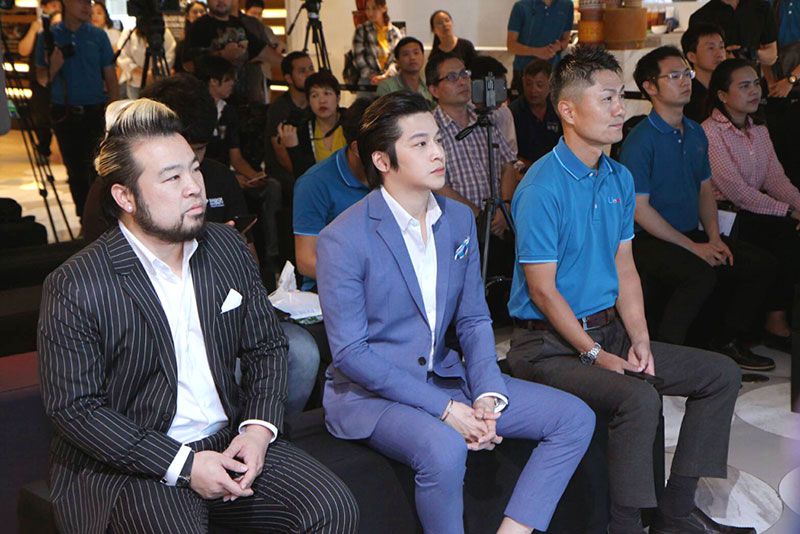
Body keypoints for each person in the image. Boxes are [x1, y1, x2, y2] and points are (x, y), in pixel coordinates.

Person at [37, 98, 359, 534]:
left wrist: (257, 430)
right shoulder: (76, 284)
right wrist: (184, 465)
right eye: (172, 177)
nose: (194, 187)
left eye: (194, 169)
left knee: (332, 508)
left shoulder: (225, 247)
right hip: (138, 461)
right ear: (125, 196)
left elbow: (266, 346)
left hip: (229, 438)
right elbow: (76, 410)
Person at [317, 91, 595, 534]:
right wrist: (446, 409)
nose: (437, 152)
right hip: (371, 396)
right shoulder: (343, 237)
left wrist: (486, 391)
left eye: (437, 140)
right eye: (420, 143)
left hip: (446, 376)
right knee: (444, 447)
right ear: (383, 161)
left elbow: (473, 319)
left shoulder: (459, 220)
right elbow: (351, 354)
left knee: (574, 418)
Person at [505, 44, 750, 534]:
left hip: (608, 331)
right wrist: (595, 353)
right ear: (568, 110)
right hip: (547, 346)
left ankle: (675, 512)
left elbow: (626, 268)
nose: (620, 109)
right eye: (607, 98)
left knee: (720, 374)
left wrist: (638, 338)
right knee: (639, 399)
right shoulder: (541, 186)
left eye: (621, 96)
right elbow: (543, 291)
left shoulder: (618, 176)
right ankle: (626, 525)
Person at [621, 46, 778, 372]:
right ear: (650, 87)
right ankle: (665, 357)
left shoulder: (695, 131)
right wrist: (694, 247)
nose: (685, 81)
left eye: (686, 74)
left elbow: (705, 189)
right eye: (673, 76)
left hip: (691, 232)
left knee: (758, 264)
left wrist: (713, 237)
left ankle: (724, 343)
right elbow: (640, 210)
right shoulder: (640, 139)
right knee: (699, 274)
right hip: (648, 238)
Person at [703, 58, 800, 353]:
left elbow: (777, 181)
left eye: (756, 84)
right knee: (786, 233)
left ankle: (778, 319)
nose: (754, 91)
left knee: (790, 229)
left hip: (755, 210)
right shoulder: (710, 132)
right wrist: (788, 211)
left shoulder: (758, 129)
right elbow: (738, 193)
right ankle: (773, 323)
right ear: (722, 95)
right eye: (744, 86)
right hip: (724, 215)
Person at [426, 53, 518, 277]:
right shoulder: (429, 128)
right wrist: (480, 217)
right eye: (452, 77)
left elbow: (508, 164)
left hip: (499, 224)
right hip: (456, 231)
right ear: (434, 90)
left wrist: (504, 206)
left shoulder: (485, 119)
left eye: (464, 74)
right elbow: (436, 184)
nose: (462, 81)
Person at [35, 0, 119, 220]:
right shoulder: (48, 36)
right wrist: (54, 66)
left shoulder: (98, 36)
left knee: (100, 169)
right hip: (64, 113)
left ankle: (102, 219)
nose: (86, 6)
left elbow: (111, 78)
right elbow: (42, 79)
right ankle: (84, 219)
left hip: (95, 113)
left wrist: (114, 116)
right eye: (81, 1)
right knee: (75, 172)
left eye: (88, 2)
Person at [293, 98, 372, 291]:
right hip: (334, 288)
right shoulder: (315, 183)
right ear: (357, 148)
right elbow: (305, 260)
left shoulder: (395, 172)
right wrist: (367, 280)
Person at [195, 54, 266, 187]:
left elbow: (236, 157)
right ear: (213, 81)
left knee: (270, 187)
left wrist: (254, 176)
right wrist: (229, 179)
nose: (232, 83)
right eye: (228, 79)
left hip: (224, 173)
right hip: (201, 175)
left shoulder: (228, 112)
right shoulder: (193, 111)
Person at [277, 70, 347, 178]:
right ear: (309, 101)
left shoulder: (352, 122)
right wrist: (293, 148)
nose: (322, 100)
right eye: (314, 95)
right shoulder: (303, 129)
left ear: (338, 98)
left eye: (327, 93)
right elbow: (303, 176)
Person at [16, 0, 62, 159]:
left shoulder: (64, 27)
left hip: (61, 79)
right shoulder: (35, 27)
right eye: (52, 5)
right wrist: (34, 29)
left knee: (59, 115)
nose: (56, 9)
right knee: (40, 116)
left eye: (58, 5)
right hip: (38, 79)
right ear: (44, 7)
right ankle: (43, 149)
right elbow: (23, 50)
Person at [265, 51, 315, 179]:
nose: (309, 74)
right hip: (286, 175)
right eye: (302, 71)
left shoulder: (315, 104)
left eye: (311, 69)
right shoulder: (279, 108)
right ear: (288, 78)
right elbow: (280, 153)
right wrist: (307, 178)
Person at [506, 0, 574, 93]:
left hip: (552, 72)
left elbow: (565, 40)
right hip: (524, 72)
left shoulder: (567, 5)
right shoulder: (521, 6)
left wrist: (558, 46)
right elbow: (511, 45)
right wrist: (537, 52)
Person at [688, 0, 778, 67]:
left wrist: (749, 53)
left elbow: (772, 56)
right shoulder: (700, 17)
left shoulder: (762, 8)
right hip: (716, 81)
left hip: (750, 79)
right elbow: (696, 60)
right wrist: (723, 55)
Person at [509, 59, 561, 169]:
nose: (533, 90)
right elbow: (509, 153)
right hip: (524, 172)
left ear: (551, 84)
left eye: (539, 85)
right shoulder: (513, 112)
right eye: (528, 84)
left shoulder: (559, 109)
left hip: (556, 168)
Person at [680, 23, 727, 123]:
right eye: (711, 48)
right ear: (692, 57)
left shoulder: (730, 88)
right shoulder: (686, 96)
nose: (720, 54)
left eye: (722, 47)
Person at [351, 0, 404, 86]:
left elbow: (398, 59)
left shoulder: (395, 32)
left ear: (384, 8)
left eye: (374, 8)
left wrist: (387, 75)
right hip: (368, 81)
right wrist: (372, 76)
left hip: (391, 79)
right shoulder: (362, 30)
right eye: (367, 9)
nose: (370, 12)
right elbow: (358, 57)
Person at [116, 26, 177, 99]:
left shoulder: (164, 32)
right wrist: (142, 72)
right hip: (135, 82)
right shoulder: (128, 33)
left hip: (158, 81)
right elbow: (123, 57)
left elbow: (170, 56)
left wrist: (153, 72)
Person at [376, 36, 434, 104]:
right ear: (397, 61)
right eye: (406, 54)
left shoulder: (429, 87)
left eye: (416, 53)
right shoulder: (387, 87)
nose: (412, 58)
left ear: (423, 56)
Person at [174, 1, 207, 73]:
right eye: (195, 12)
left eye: (202, 12)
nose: (199, 15)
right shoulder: (183, 42)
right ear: (187, 16)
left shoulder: (213, 37)